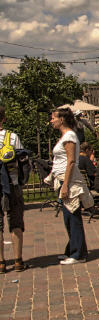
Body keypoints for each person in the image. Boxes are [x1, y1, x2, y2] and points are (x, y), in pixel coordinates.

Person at [48, 107, 93, 265]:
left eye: (53, 118)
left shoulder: (69, 136)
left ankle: (77, 254)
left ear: (62, 119)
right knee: (68, 217)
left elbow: (71, 161)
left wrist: (66, 184)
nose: (51, 121)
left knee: (72, 215)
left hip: (69, 180)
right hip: (62, 179)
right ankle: (73, 249)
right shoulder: (65, 136)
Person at [0, 106, 26, 273]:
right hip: (12, 183)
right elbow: (23, 160)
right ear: (3, 118)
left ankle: (1, 263)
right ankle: (18, 261)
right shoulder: (12, 137)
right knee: (16, 221)